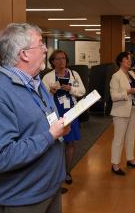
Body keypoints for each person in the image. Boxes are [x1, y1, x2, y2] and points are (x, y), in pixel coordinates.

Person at [0, 23, 70, 213]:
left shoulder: (35, 82)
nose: (45, 50)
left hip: (48, 189)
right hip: (20, 199)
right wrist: (50, 135)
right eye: (41, 44)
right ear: (24, 54)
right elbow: (2, 157)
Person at [42, 50, 86, 187]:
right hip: (54, 112)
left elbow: (82, 91)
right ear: (52, 62)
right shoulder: (48, 77)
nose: (61, 61)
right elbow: (41, 97)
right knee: (56, 143)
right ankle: (56, 173)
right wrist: (51, 91)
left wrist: (70, 89)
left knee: (70, 142)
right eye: (57, 59)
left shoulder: (74, 75)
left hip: (71, 111)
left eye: (63, 58)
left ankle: (67, 171)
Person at [110, 51, 135, 176]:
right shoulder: (116, 76)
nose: (129, 61)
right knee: (118, 139)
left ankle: (130, 159)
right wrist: (128, 92)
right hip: (120, 111)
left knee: (131, 137)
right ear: (120, 61)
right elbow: (113, 96)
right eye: (127, 59)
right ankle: (115, 164)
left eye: (130, 59)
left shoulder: (132, 74)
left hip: (133, 109)